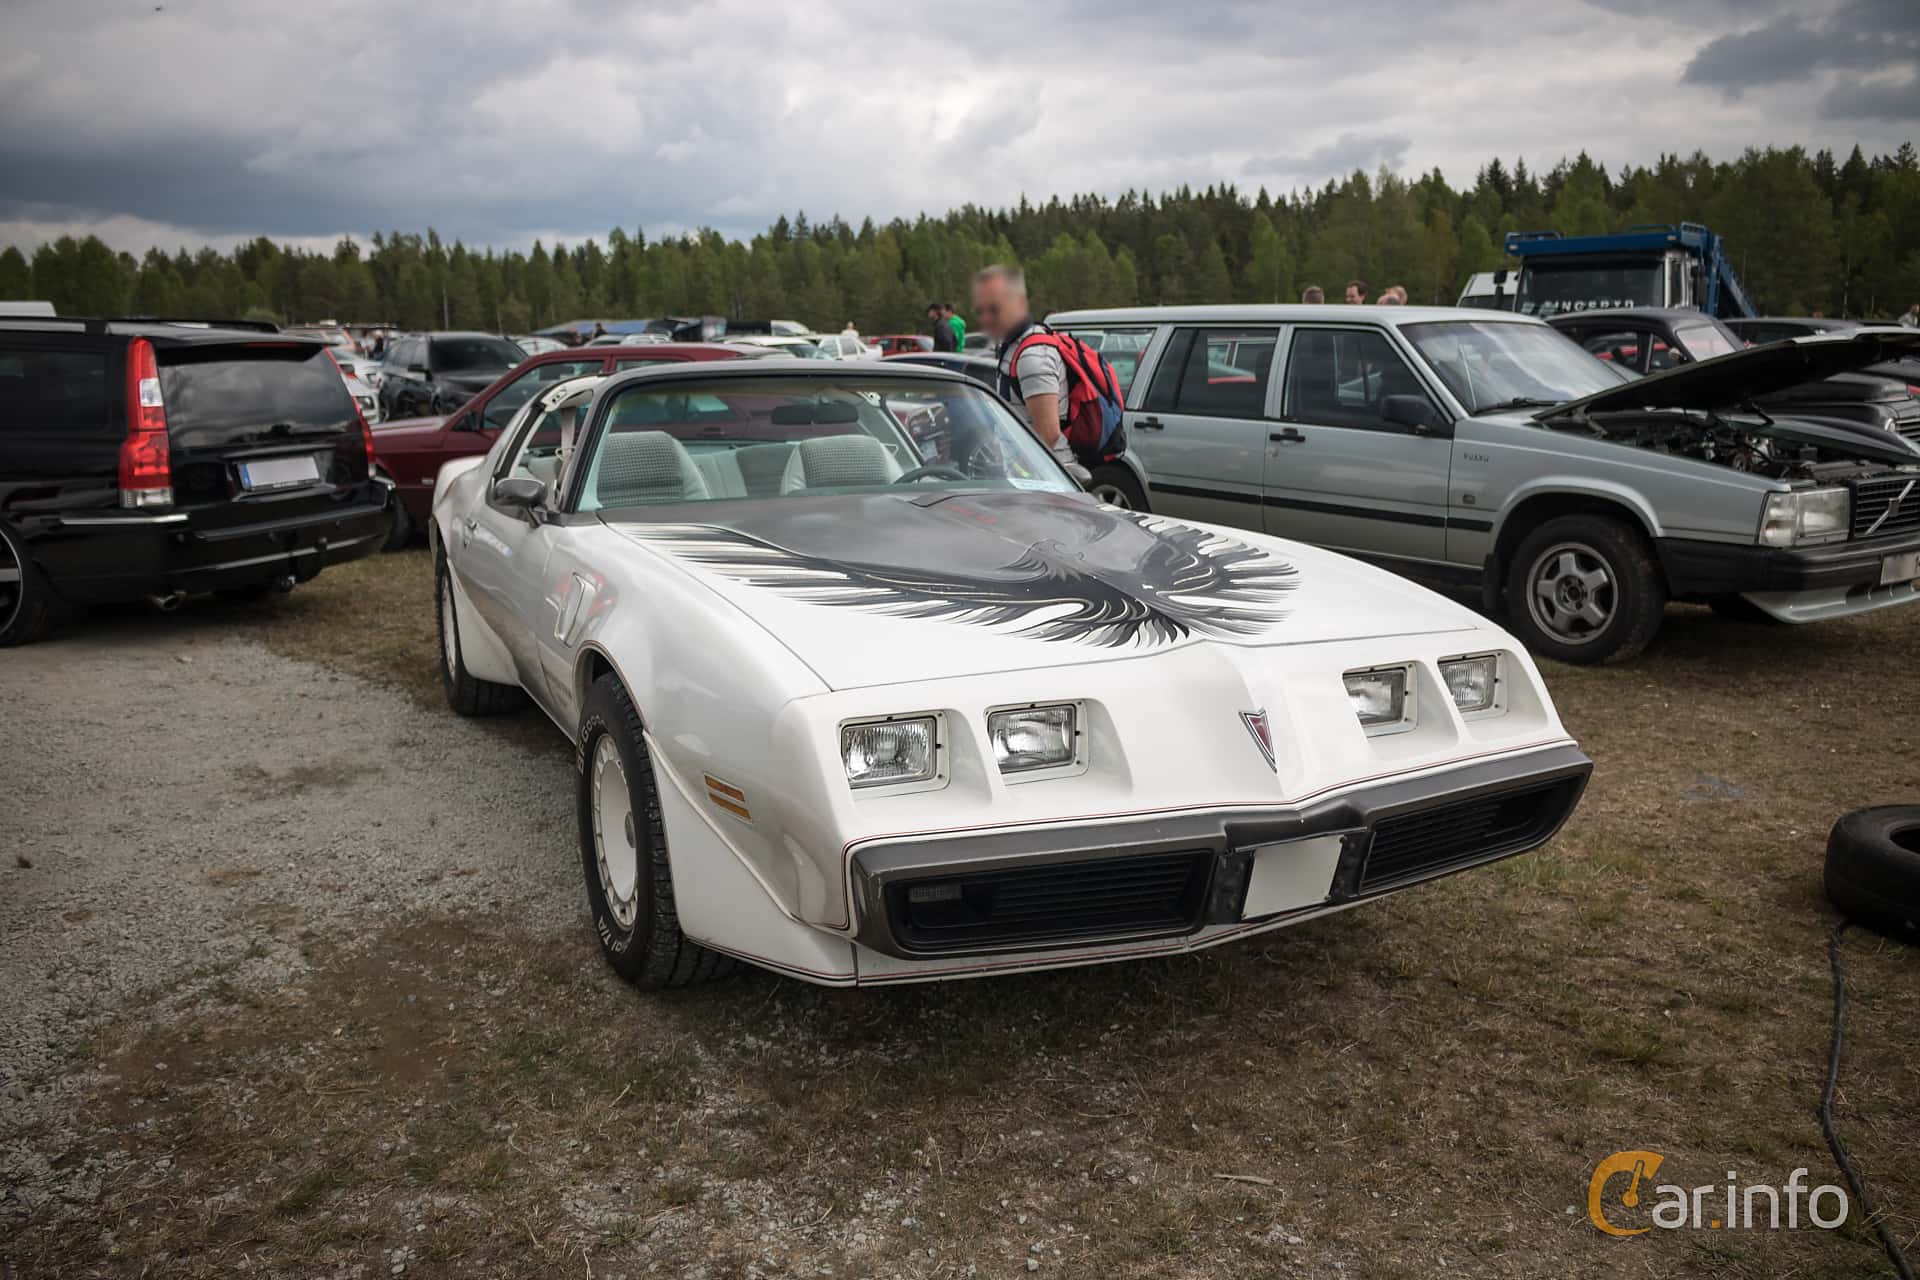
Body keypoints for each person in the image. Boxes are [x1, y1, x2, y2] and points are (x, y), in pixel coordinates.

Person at [972, 264, 1072, 464]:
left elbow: (1048, 434)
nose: (986, 318)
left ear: (1018, 304)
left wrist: (1017, 470)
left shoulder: (1032, 356)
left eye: (995, 309)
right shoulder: (1013, 346)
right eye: (981, 311)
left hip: (1046, 478)